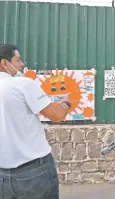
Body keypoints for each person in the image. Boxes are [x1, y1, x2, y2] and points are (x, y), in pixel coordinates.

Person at [0, 44, 72, 199]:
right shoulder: (23, 84)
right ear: (4, 63)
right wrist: (67, 103)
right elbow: (57, 116)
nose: (22, 64)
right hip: (34, 172)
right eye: (18, 60)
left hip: (3, 176)